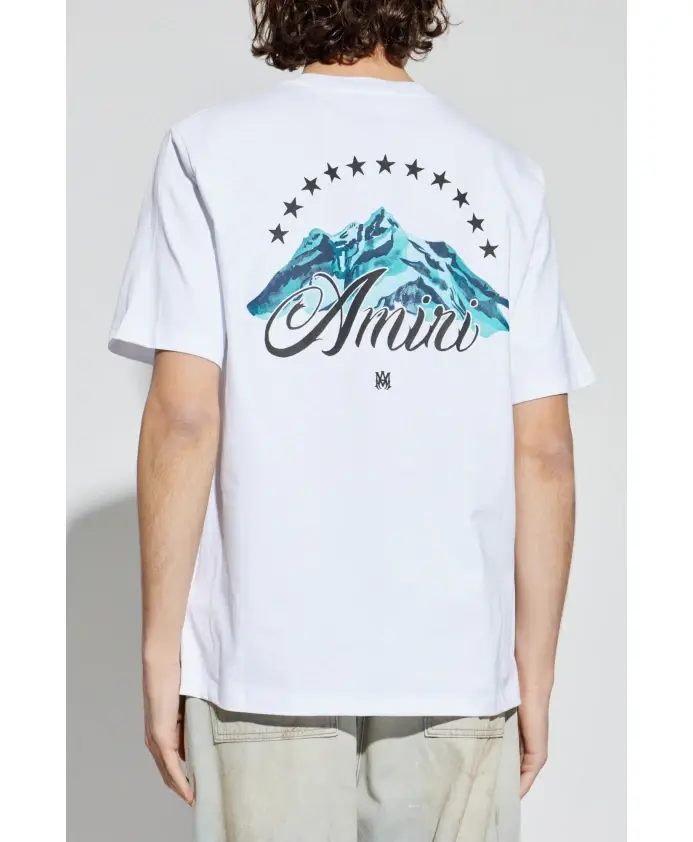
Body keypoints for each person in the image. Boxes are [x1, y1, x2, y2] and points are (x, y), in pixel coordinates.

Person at [108, 1, 594, 839]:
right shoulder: (504, 174)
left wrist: (161, 652)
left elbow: (185, 416)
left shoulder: (208, 151)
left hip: (264, 661)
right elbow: (543, 449)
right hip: (452, 666)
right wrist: (534, 673)